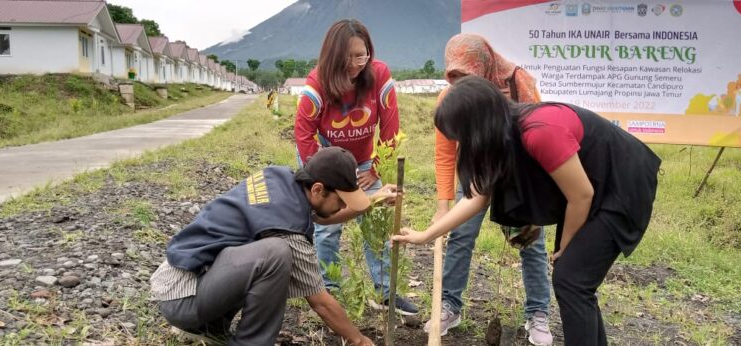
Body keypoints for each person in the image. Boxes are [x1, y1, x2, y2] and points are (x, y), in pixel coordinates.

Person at [394, 76, 661, 346]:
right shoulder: (501, 137)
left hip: (622, 184)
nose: (462, 145)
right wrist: (425, 236)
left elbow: (581, 195)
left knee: (572, 281)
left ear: (478, 127)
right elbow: (476, 198)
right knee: (574, 282)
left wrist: (566, 248)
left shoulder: (539, 131)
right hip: (591, 188)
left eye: (461, 136)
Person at [150, 147, 392, 346]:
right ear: (318, 189)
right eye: (341, 200)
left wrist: (373, 200)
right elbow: (320, 302)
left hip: (188, 279)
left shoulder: (282, 180)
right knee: (275, 254)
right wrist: (358, 340)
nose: (342, 207)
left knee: (267, 254)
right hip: (183, 298)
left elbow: (321, 215)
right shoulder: (288, 230)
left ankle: (212, 328)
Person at [431, 33, 553, 344]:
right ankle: (450, 306)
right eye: (453, 76)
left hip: (519, 173)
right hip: (474, 172)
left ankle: (538, 313)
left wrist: (535, 203)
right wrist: (444, 205)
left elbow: (541, 135)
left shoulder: (516, 82)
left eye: (465, 76)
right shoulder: (449, 99)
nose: (459, 84)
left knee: (530, 240)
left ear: (484, 65)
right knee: (460, 234)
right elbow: (445, 153)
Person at [294, 18, 418, 315]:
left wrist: (374, 168)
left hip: (364, 163)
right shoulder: (316, 84)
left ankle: (385, 293)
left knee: (374, 221)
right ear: (332, 57)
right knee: (327, 227)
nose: (354, 64)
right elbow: (303, 134)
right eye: (346, 58)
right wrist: (325, 177)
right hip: (325, 162)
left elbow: (390, 128)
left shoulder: (379, 75)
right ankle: (330, 292)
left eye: (361, 56)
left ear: (369, 53)